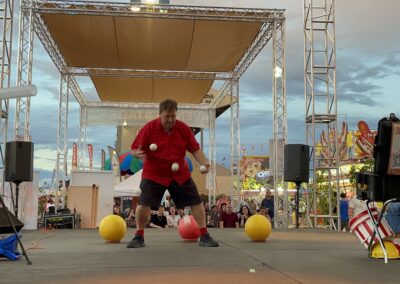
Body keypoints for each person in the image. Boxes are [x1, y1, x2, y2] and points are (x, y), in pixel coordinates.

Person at [127, 99, 219, 248]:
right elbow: (134, 148)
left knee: (196, 201)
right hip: (154, 173)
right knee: (143, 204)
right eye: (167, 116)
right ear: (160, 115)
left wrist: (205, 162)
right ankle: (139, 236)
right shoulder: (149, 128)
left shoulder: (183, 128)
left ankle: (204, 235)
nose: (170, 120)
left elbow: (195, 149)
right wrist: (136, 153)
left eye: (173, 116)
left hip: (179, 173)